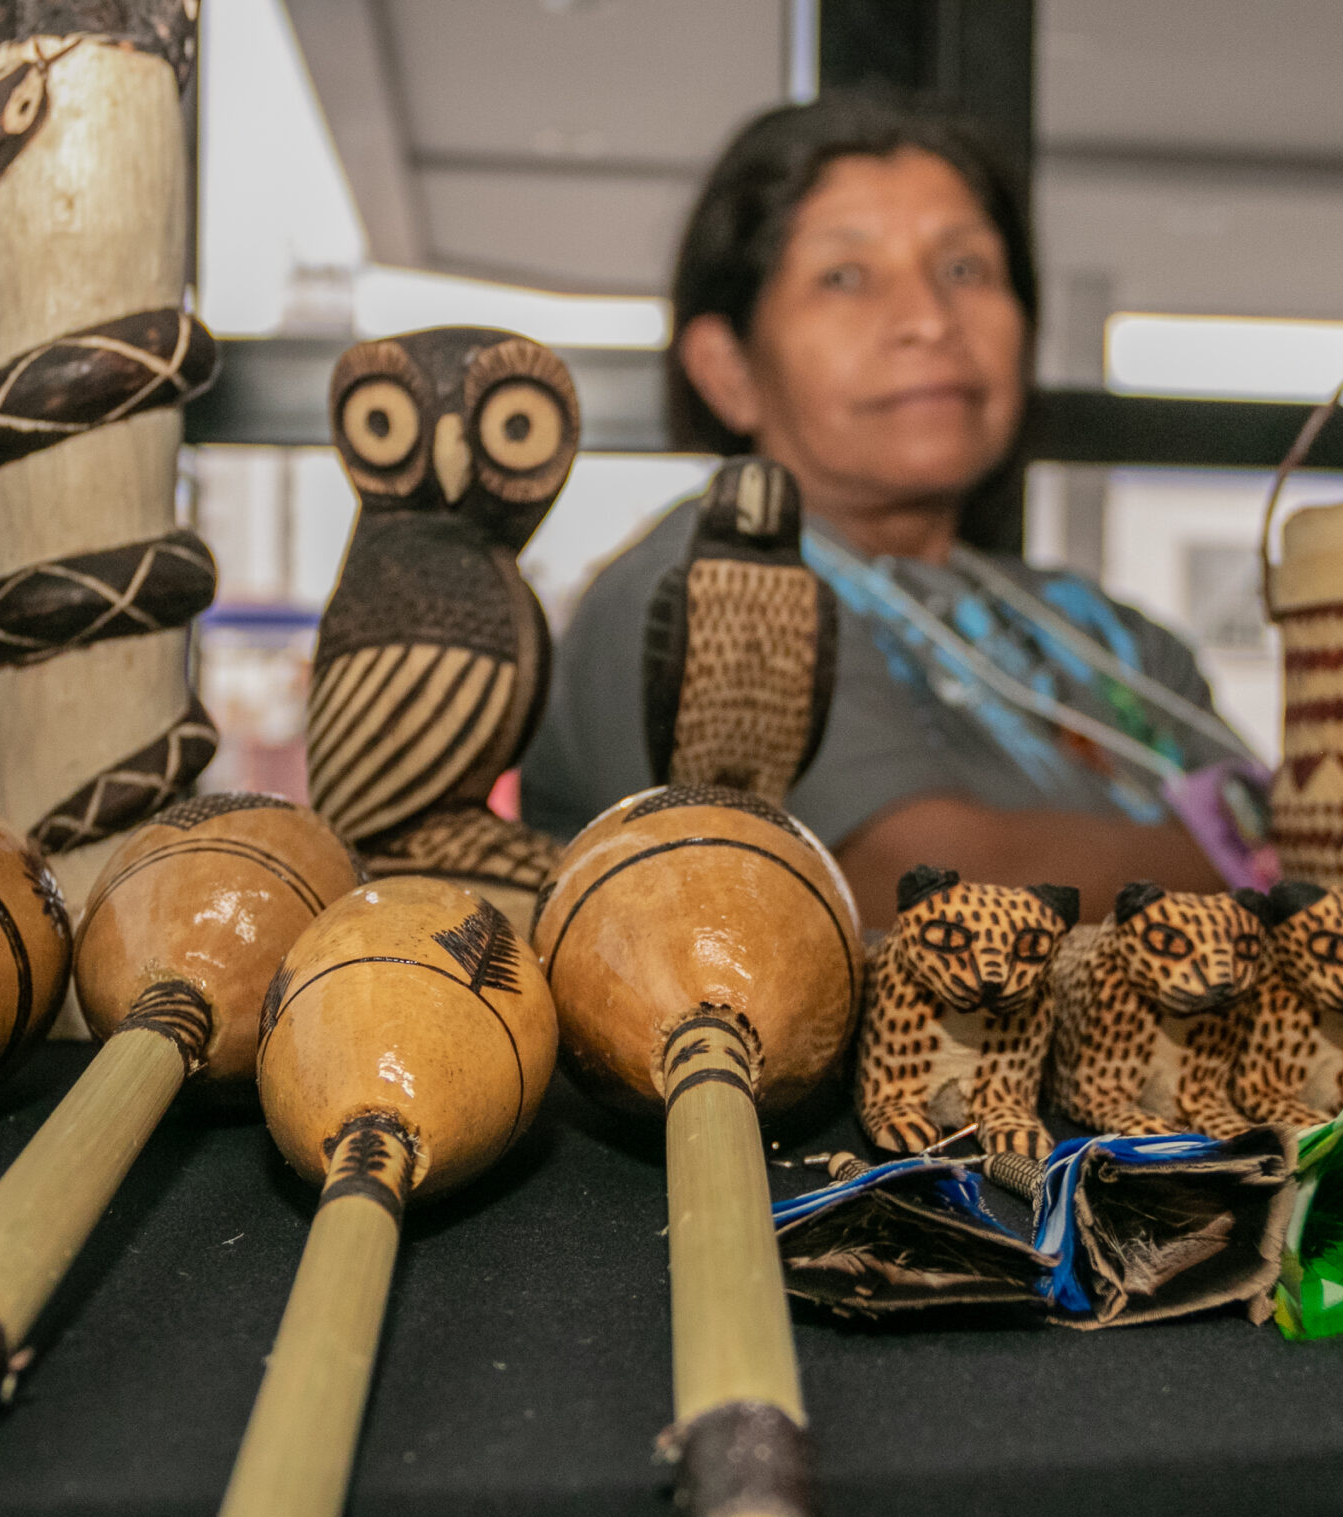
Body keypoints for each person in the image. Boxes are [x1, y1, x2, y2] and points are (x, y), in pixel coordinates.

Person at [521, 92, 1268, 927]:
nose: (929, 320)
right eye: (844, 277)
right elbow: (919, 890)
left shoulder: (1109, 635)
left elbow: (1309, 848)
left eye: (965, 269)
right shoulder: (700, 594)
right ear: (727, 368)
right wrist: (1245, 865)